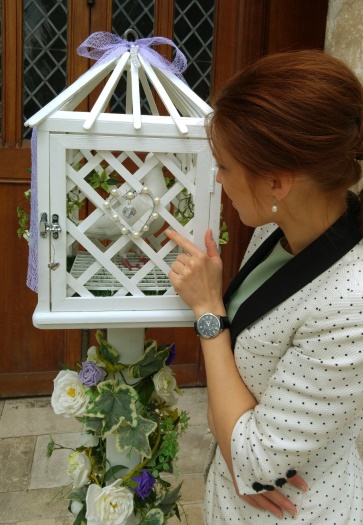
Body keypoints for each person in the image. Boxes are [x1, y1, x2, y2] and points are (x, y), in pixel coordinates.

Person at [165, 50, 363, 524]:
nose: (218, 179)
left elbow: (255, 464)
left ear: (276, 182)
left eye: (226, 167)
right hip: (239, 502)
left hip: (297, 511)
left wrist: (209, 315)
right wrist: (237, 448)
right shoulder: (277, 234)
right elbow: (241, 448)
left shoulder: (350, 302)